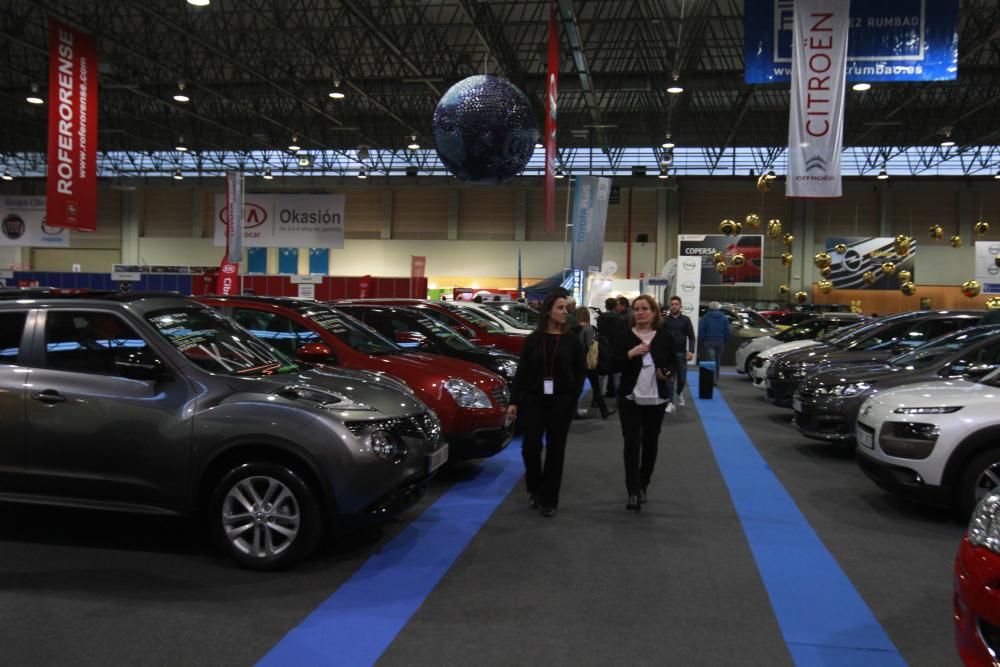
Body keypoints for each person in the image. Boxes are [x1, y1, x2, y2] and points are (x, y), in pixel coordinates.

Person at [507, 290, 587, 518]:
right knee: (529, 447)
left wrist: (573, 398)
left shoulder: (572, 339)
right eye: (560, 308)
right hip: (534, 399)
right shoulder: (533, 339)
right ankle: (535, 487)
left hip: (562, 400)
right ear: (549, 311)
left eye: (566, 308)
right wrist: (513, 401)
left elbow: (581, 372)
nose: (565, 312)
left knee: (556, 450)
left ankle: (549, 498)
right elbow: (522, 372)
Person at [612, 295, 677, 513]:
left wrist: (665, 373)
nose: (639, 312)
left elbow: (672, 364)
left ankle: (643, 485)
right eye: (636, 309)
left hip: (656, 399)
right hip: (630, 398)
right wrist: (630, 354)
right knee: (631, 444)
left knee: (650, 443)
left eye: (644, 308)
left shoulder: (665, 337)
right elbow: (612, 364)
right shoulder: (623, 337)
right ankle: (632, 490)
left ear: (653, 312)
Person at [574, 307, 614, 419]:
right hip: (588, 362)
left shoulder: (574, 328)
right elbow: (590, 346)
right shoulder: (589, 329)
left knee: (577, 387)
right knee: (595, 386)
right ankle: (604, 410)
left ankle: (573, 410)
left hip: (577, 361)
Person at [663, 295, 696, 407]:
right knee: (669, 379)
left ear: (680, 306)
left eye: (676, 304)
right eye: (672, 304)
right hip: (668, 355)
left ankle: (679, 392)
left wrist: (691, 351)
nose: (674, 306)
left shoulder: (686, 320)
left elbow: (691, 337)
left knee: (682, 379)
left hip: (682, 354)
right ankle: (670, 402)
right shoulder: (665, 321)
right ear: (669, 306)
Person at [597, 297, 626, 398]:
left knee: (601, 375)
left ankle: (597, 398)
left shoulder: (600, 318)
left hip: (603, 349)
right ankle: (619, 399)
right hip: (616, 349)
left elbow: (599, 333)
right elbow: (623, 335)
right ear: (615, 306)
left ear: (606, 306)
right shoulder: (621, 319)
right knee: (616, 375)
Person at [698, 301, 729, 382]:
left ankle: (712, 379)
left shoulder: (706, 317)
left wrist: (702, 339)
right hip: (720, 341)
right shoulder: (724, 318)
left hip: (708, 341)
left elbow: (701, 329)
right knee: (717, 360)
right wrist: (724, 339)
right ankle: (716, 379)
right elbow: (727, 330)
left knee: (711, 361)